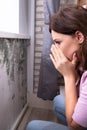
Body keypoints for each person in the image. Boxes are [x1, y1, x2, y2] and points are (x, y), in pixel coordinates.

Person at [26, 5, 87, 130]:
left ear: (79, 37)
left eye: (58, 42)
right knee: (59, 100)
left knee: (33, 126)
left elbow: (74, 125)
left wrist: (68, 76)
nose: (55, 49)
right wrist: (74, 72)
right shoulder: (81, 62)